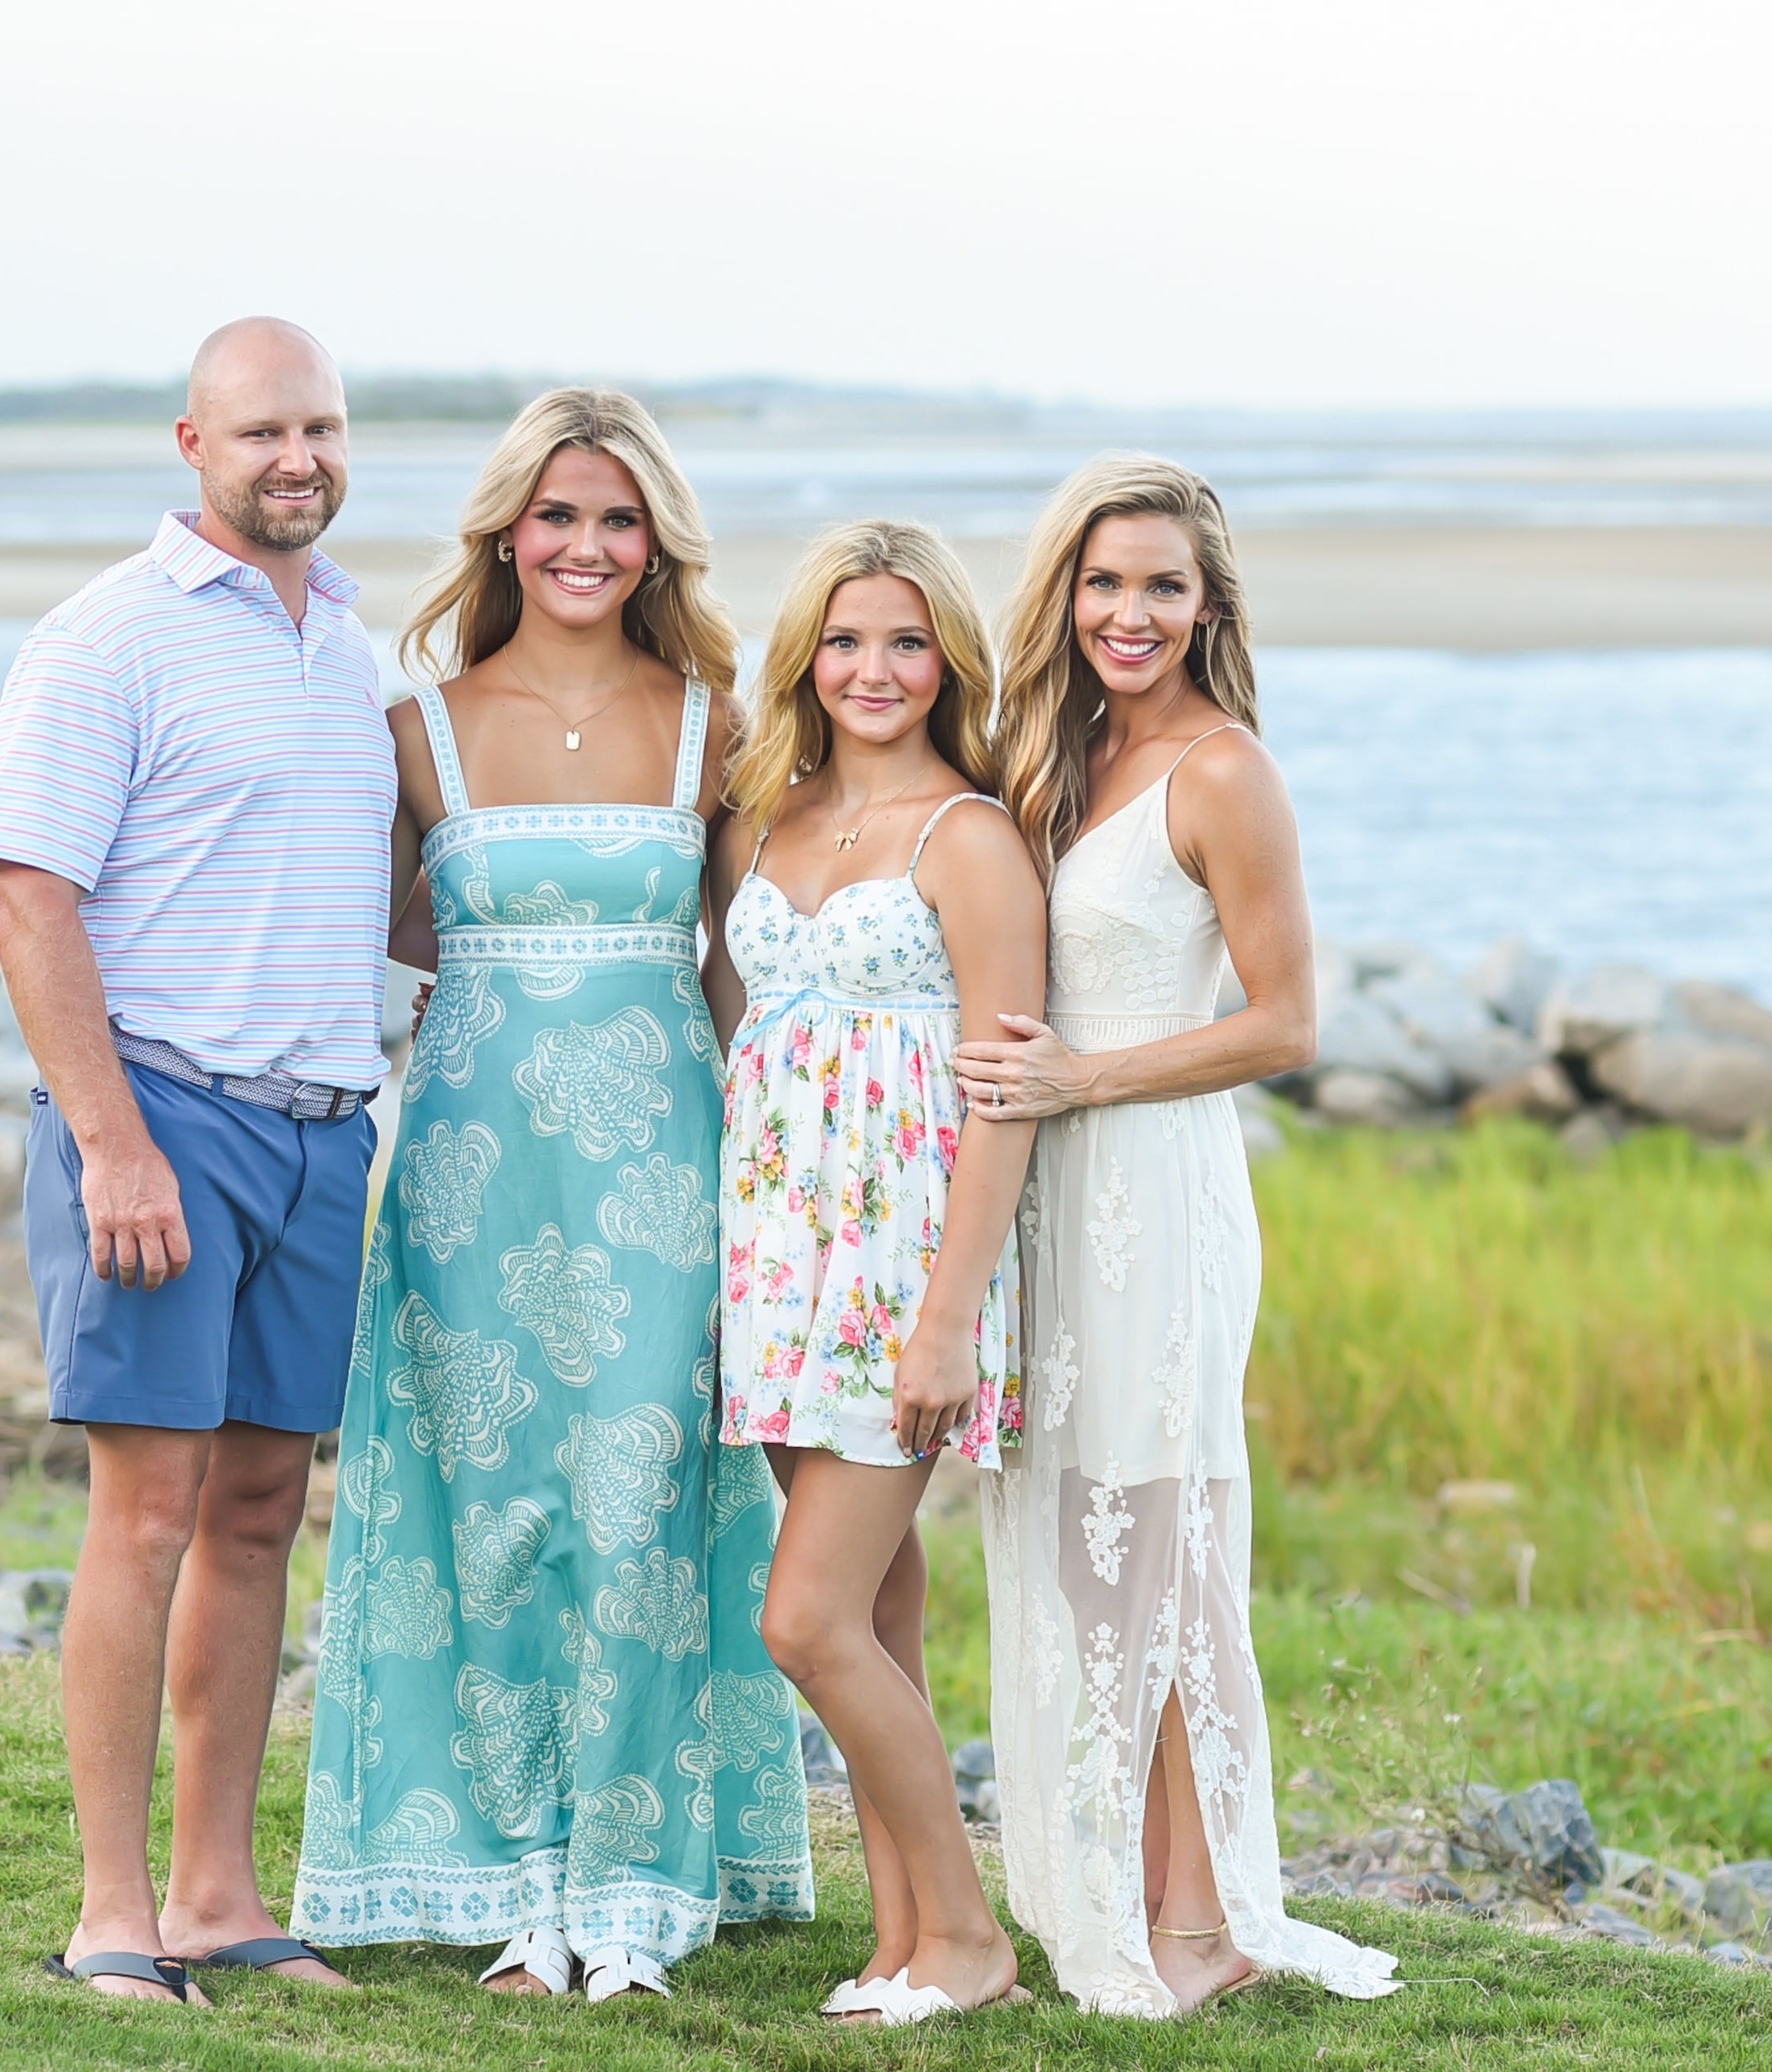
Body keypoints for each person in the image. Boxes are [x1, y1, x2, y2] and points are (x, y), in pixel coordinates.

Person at [292, 389, 813, 2003]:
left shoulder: (710, 719)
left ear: (655, 539)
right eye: (559, 515)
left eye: (617, 519)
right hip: (465, 1173)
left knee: (639, 1504)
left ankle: (635, 1887)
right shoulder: (416, 724)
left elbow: (752, 960)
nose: (586, 546)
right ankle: (521, 1884)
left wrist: (768, 1167)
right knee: (492, 1519)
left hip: (665, 1170)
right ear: (507, 530)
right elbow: (380, 929)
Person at [954, 455, 1403, 2017]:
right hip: (1052, 1192)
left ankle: (1202, 1921)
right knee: (1086, 1555)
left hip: (1155, 1180)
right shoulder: (1053, 750)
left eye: (1161, 587)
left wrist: (1086, 1075)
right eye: (1104, 584)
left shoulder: (1221, 771)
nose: (1129, 614)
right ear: (1064, 597)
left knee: (1160, 1543)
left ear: (1208, 606)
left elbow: (1285, 1023)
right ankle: (1141, 1892)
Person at [0, 317, 384, 2003]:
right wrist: (113, 1144)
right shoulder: (108, 639)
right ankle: (111, 1912)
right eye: (263, 430)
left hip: (321, 1131)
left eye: (324, 427)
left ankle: (221, 1894)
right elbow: (26, 896)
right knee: (147, 1512)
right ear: (191, 443)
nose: (298, 456)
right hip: (164, 1120)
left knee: (263, 1510)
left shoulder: (352, 640)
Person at [712, 521, 1045, 2025]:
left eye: (907, 642)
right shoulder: (760, 820)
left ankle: (968, 1942)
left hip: (898, 1270)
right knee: (880, 1614)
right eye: (846, 640)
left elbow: (1003, 1094)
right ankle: (902, 1934)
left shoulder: (967, 837)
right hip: (777, 1255)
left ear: (948, 663)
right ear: (807, 657)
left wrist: (949, 1320)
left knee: (808, 1621)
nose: (873, 669)